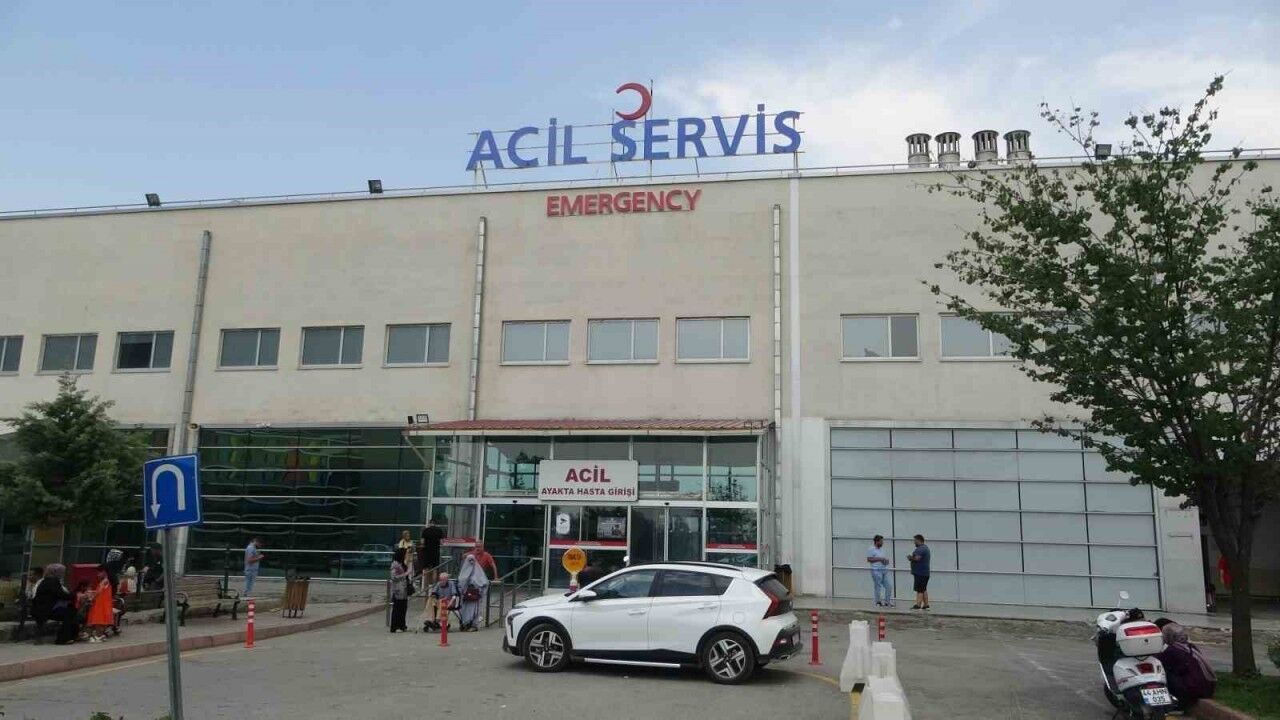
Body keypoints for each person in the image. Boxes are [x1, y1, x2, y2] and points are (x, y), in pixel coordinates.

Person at [1154, 620, 1217, 709]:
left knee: (1162, 672)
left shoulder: (1172, 651)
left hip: (1193, 691)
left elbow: (1156, 662)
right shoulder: (1190, 647)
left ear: (1168, 636)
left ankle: (1172, 702)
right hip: (1208, 688)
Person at [31, 564, 79, 645]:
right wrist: (74, 595)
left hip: (41, 609)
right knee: (70, 613)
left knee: (70, 610)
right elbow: (61, 594)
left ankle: (70, 636)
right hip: (45, 610)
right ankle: (63, 638)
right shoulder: (53, 581)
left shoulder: (46, 581)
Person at [456, 554, 490, 631]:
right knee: (464, 610)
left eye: (472, 560)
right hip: (465, 596)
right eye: (469, 560)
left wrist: (476, 586)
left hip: (474, 596)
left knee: (474, 611)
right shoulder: (463, 571)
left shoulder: (478, 571)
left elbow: (484, 582)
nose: (471, 562)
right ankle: (465, 624)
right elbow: (461, 581)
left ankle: (474, 625)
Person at [85, 566, 115, 643]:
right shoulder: (106, 581)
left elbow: (98, 592)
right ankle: (100, 635)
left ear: (104, 572)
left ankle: (99, 636)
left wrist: (91, 597)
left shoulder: (104, 581)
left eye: (99, 572)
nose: (97, 574)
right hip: (103, 603)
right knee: (101, 620)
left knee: (98, 620)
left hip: (101, 603)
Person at [867, 535, 894, 607]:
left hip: (884, 570)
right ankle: (878, 601)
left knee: (889, 586)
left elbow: (883, 559)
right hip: (876, 570)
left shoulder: (882, 550)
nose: (882, 543)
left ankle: (887, 602)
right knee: (878, 586)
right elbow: (869, 559)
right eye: (881, 541)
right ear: (877, 541)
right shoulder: (871, 549)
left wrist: (886, 561)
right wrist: (880, 559)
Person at [389, 547, 410, 633]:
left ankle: (402, 625)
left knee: (403, 608)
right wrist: (405, 574)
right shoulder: (395, 564)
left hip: (403, 589)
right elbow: (393, 577)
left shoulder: (402, 564)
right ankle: (394, 626)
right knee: (397, 608)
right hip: (398, 589)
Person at [907, 534, 931, 610]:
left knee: (919, 589)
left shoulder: (921, 549)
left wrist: (910, 558)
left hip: (920, 573)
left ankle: (918, 605)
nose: (914, 542)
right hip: (924, 573)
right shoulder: (925, 548)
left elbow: (917, 558)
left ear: (919, 540)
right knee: (923, 589)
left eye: (915, 541)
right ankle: (926, 604)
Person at [420, 517, 445, 582]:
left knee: (426, 569)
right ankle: (433, 586)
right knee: (435, 569)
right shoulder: (439, 530)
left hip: (427, 552)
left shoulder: (425, 530)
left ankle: (426, 586)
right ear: (435, 524)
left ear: (430, 523)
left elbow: (422, 542)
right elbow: (442, 542)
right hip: (436, 552)